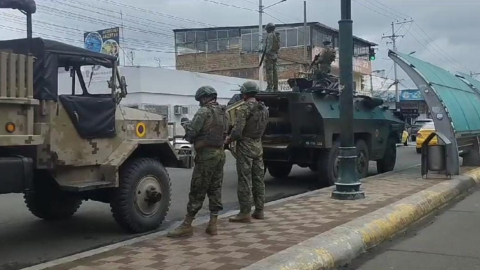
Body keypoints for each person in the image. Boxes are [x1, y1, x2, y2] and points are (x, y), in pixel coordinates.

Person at [167, 86, 228, 238]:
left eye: (200, 100)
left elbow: (192, 133)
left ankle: (187, 225)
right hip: (220, 153)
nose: (200, 103)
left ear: (204, 98)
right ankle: (213, 224)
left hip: (206, 155)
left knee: (198, 189)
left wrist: (185, 123)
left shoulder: (204, 112)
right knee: (215, 188)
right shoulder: (223, 112)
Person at [226, 81, 269, 223]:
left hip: (245, 146)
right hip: (258, 145)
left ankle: (245, 212)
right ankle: (260, 210)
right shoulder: (264, 109)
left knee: (245, 180)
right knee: (258, 179)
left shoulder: (244, 109)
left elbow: (237, 132)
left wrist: (228, 139)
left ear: (244, 93)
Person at [264, 22, 280, 92]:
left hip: (269, 56)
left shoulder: (270, 35)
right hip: (275, 55)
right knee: (275, 72)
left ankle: (270, 87)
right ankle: (275, 87)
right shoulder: (276, 35)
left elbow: (269, 46)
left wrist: (267, 53)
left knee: (269, 71)